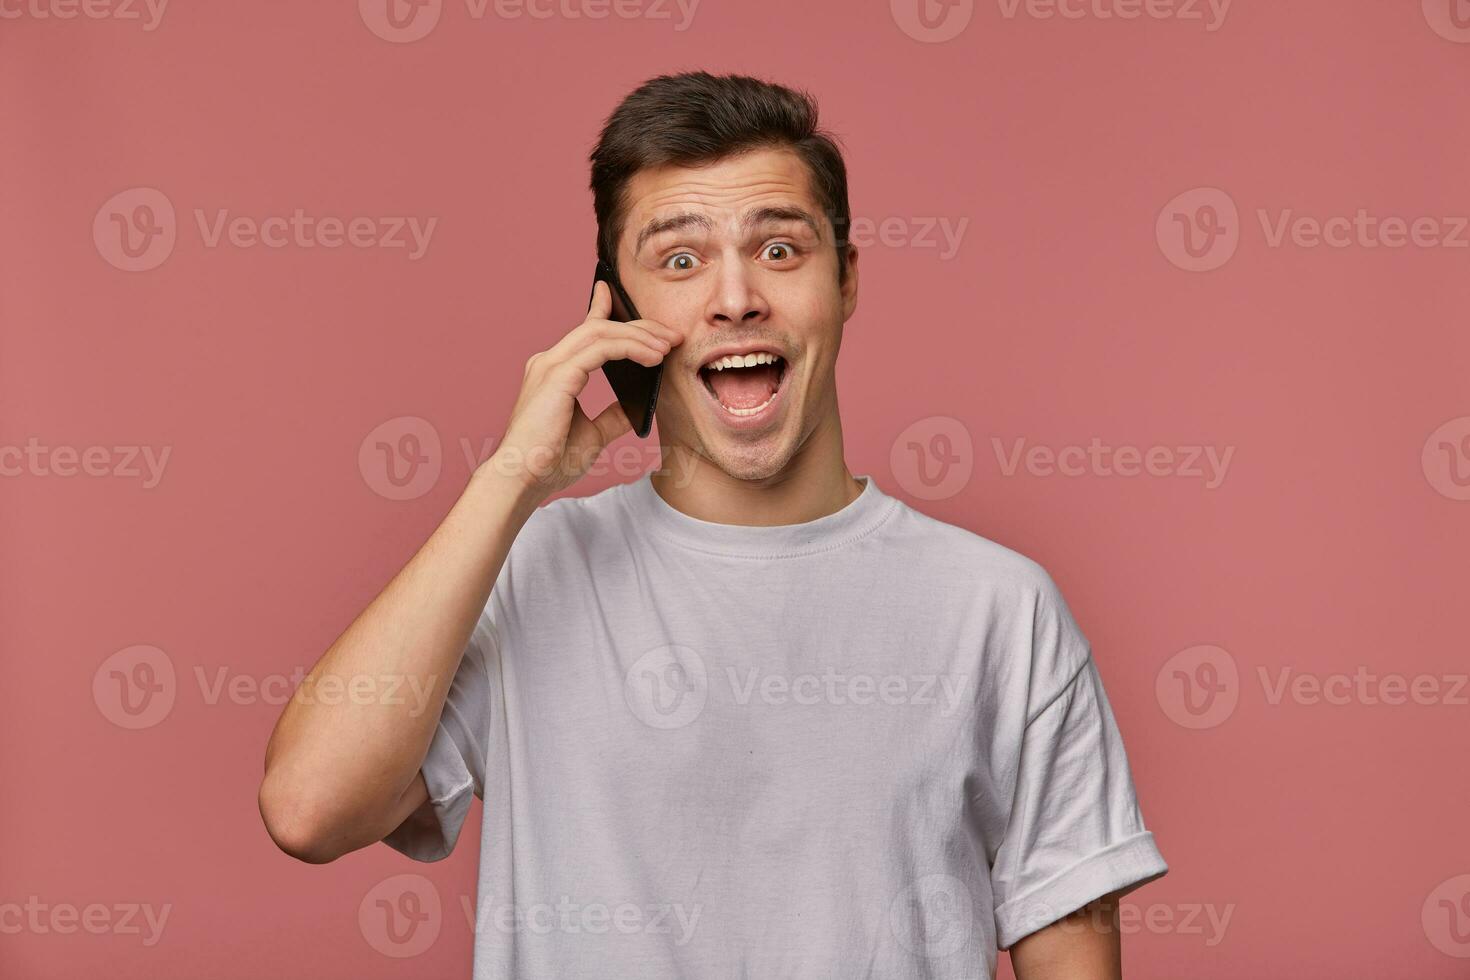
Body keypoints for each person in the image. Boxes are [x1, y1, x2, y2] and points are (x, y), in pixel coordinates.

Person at [258, 70, 1167, 980]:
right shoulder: (531, 571)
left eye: (780, 250)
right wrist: (512, 479)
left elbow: (1073, 955)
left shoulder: (1000, 609)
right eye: (681, 261)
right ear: (613, 310)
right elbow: (309, 810)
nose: (735, 299)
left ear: (846, 281)